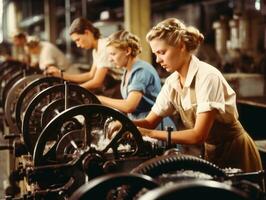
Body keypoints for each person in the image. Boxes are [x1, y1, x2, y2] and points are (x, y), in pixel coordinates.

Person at [133, 18, 262, 172]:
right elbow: (149, 122)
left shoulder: (207, 76)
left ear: (181, 46)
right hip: (211, 151)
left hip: (237, 152)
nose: (158, 60)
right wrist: (125, 124)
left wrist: (151, 134)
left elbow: (198, 135)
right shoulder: (172, 82)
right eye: (155, 54)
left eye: (162, 52)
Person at [97, 30, 175, 130]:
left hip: (154, 125)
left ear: (127, 51)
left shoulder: (141, 71)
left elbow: (129, 106)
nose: (110, 59)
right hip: (138, 123)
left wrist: (100, 99)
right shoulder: (127, 71)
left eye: (113, 54)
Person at [45, 17, 122, 97]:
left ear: (87, 33)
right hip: (113, 86)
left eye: (78, 40)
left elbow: (97, 81)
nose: (78, 45)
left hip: (120, 86)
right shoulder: (96, 50)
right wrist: (61, 74)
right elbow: (90, 75)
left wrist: (72, 90)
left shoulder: (104, 47)